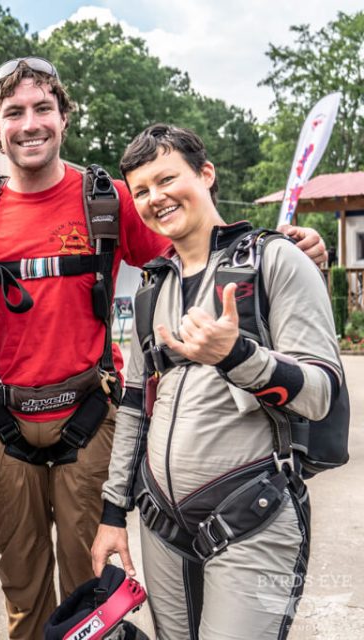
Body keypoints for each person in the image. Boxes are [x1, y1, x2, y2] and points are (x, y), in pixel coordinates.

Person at [0, 58, 328, 639]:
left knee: (87, 590)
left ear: (64, 118)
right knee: (20, 586)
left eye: (42, 109)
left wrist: (282, 248)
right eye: (14, 112)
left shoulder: (105, 201)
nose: (29, 123)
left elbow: (194, 236)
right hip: (2, 423)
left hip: (89, 420)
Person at [92, 123, 342, 638]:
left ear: (206, 174)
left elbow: (321, 394)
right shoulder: (151, 290)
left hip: (254, 517)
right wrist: (113, 514)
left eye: (167, 179)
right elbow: (137, 409)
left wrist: (237, 357)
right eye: (141, 190)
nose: (155, 198)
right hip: (160, 526)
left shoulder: (276, 261)